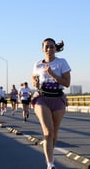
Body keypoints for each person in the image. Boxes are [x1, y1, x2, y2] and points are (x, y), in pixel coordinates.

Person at [31, 38, 71, 169]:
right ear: (43, 49)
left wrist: (52, 74)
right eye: (46, 47)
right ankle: (50, 164)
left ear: (56, 48)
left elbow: (66, 83)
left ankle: (49, 153)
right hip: (42, 98)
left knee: (54, 133)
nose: (49, 49)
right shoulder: (37, 64)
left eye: (52, 47)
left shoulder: (62, 62)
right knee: (48, 132)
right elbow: (34, 78)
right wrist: (35, 83)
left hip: (58, 98)